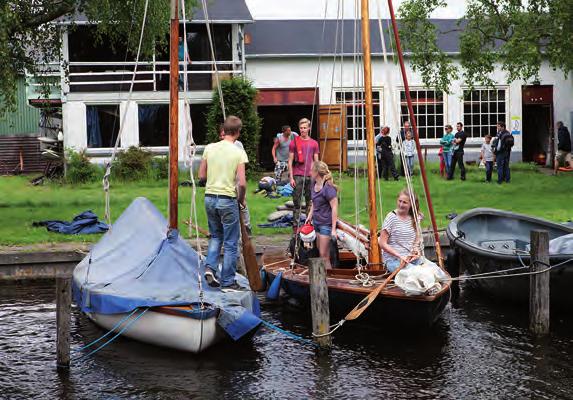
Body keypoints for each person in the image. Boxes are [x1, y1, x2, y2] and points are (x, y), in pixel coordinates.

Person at [199, 116, 248, 290]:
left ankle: (210, 267)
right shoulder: (238, 152)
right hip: (227, 199)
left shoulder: (210, 148)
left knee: (215, 236)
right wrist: (240, 200)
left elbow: (201, 176)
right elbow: (241, 183)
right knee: (230, 242)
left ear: (224, 130)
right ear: (237, 132)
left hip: (209, 197)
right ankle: (228, 281)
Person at [378, 189, 422, 273]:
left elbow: (417, 239)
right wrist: (400, 256)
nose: (401, 205)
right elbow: (382, 243)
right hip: (393, 261)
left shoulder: (416, 217)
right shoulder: (391, 218)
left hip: (411, 259)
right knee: (414, 274)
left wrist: (416, 250)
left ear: (411, 205)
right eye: (399, 201)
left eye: (404, 202)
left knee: (428, 273)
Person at [288, 118, 319, 232]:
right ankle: (296, 227)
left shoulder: (314, 143)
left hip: (310, 176)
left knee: (310, 202)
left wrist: (318, 177)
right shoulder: (294, 143)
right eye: (301, 128)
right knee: (297, 203)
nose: (303, 130)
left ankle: (308, 225)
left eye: (305, 128)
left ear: (309, 128)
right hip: (297, 176)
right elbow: (290, 161)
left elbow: (316, 162)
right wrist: (291, 177)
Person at [305, 161, 338, 268]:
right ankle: (324, 278)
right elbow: (314, 202)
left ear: (317, 172)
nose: (310, 172)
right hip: (317, 223)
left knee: (324, 256)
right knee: (320, 253)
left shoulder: (328, 188)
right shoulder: (314, 184)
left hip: (325, 225)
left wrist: (333, 229)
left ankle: (329, 279)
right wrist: (310, 216)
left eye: (311, 170)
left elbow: (334, 208)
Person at [219, 124, 252, 234]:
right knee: (228, 206)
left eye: (225, 134)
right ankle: (230, 228)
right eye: (222, 135)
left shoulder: (238, 145)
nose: (224, 137)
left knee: (243, 204)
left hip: (237, 179)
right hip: (225, 181)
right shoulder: (219, 147)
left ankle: (247, 226)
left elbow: (242, 162)